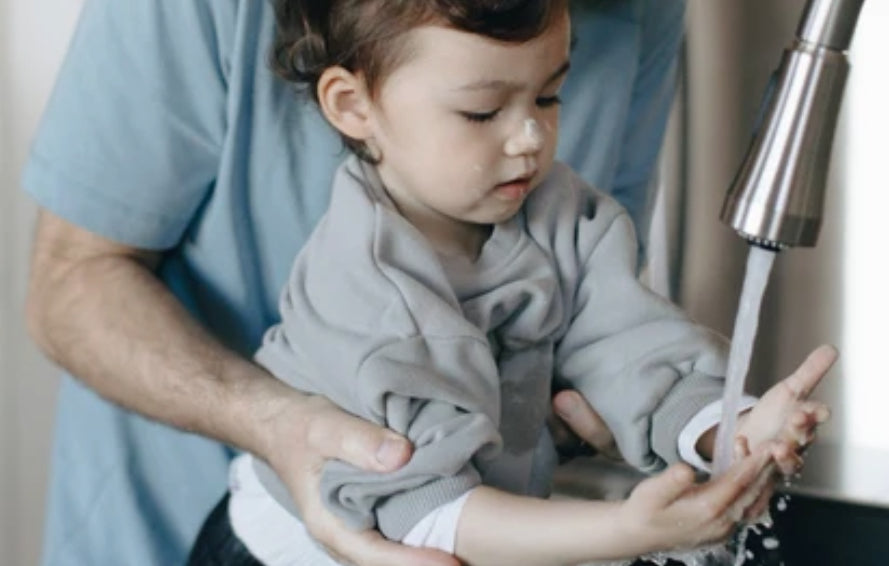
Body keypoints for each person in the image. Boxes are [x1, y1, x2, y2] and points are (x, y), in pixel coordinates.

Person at [18, 0, 832, 565]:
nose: (530, 140)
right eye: (481, 113)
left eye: (551, 94)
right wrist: (624, 531)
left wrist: (727, 427)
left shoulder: (558, 207)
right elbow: (429, 510)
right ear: (351, 105)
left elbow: (620, 334)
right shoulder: (371, 283)